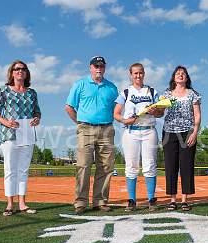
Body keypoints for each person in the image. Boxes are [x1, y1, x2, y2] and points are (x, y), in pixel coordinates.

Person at [65, 56, 118, 215]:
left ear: (105, 68)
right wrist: (80, 123)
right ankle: (80, 202)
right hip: (85, 128)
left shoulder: (112, 87)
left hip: (107, 129)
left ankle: (100, 201)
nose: (99, 69)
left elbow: (117, 109)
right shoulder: (80, 84)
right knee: (83, 165)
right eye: (96, 66)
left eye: (102, 66)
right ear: (90, 67)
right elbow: (69, 107)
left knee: (106, 166)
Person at [0, 60, 41, 216]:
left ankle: (22, 203)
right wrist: (6, 122)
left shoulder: (32, 93)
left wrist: (37, 118)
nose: (20, 71)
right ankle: (10, 204)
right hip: (10, 135)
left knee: (23, 170)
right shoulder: (4, 91)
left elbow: (37, 112)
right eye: (17, 69)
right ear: (12, 73)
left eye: (23, 69)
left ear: (26, 73)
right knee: (10, 170)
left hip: (27, 134)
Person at [113, 63, 164, 212]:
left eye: (140, 73)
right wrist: (124, 120)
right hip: (131, 132)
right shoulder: (125, 92)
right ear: (131, 75)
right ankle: (132, 200)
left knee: (149, 165)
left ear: (144, 74)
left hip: (149, 131)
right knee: (131, 166)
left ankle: (151, 199)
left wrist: (156, 112)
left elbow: (161, 112)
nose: (138, 76)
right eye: (135, 73)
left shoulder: (152, 91)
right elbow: (116, 114)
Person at [162, 65, 201, 211]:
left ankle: (184, 200)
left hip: (187, 132)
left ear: (186, 78)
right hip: (169, 132)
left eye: (183, 73)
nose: (180, 75)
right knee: (171, 166)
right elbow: (160, 111)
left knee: (186, 166)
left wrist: (194, 132)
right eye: (178, 73)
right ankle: (172, 200)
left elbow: (197, 115)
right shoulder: (167, 94)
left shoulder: (193, 94)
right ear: (173, 78)